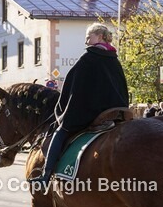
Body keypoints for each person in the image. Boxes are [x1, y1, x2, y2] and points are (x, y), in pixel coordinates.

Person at [28, 22, 128, 186]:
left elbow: (72, 87)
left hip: (92, 112)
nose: (86, 41)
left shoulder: (89, 57)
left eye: (89, 37)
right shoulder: (114, 60)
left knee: (61, 130)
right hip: (115, 111)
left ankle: (45, 176)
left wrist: (62, 110)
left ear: (100, 36)